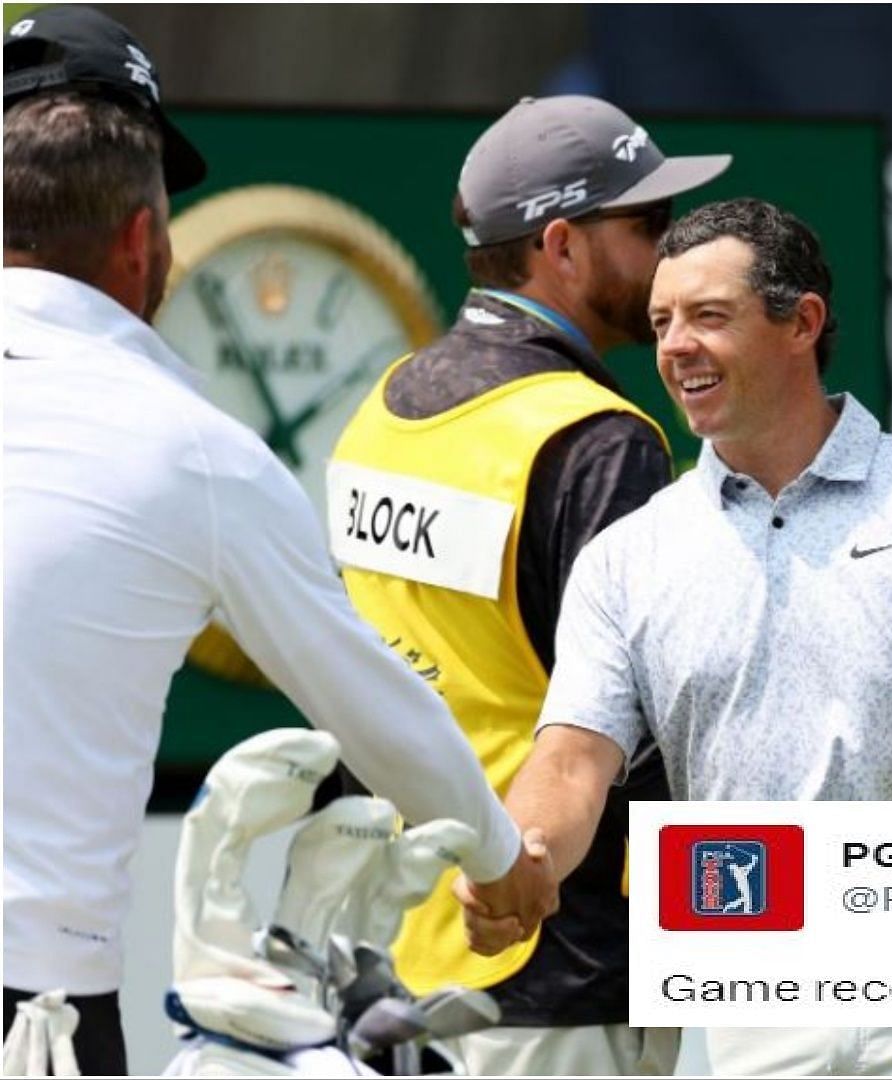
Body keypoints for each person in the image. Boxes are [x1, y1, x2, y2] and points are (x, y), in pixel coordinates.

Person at [1, 8, 553, 1073]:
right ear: (145, 242)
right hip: (35, 1003)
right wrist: (499, 858)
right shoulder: (195, 452)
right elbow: (377, 709)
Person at [459, 198, 892, 1075]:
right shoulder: (629, 554)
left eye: (708, 317)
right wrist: (523, 849)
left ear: (801, 322)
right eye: (660, 322)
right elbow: (573, 760)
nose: (674, 346)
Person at [324, 95, 727, 1076]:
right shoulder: (598, 438)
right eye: (646, 226)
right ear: (562, 244)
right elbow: (642, 720)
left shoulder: (379, 408)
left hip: (390, 945)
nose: (671, 251)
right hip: (554, 961)